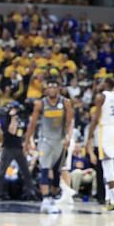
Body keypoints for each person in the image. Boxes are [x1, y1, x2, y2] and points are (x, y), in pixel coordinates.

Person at [26, 77, 74, 213]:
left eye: (54, 87)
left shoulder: (66, 103)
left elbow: (69, 123)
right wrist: (27, 141)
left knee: (57, 172)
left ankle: (52, 197)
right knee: (45, 169)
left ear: (59, 88)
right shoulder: (40, 103)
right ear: (46, 89)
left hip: (59, 141)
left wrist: (68, 136)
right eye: (49, 87)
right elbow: (33, 124)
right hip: (45, 140)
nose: (52, 89)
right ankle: (45, 199)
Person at [87, 77, 114, 213]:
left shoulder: (101, 97)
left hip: (105, 130)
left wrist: (89, 136)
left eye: (101, 82)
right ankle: (108, 199)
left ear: (106, 84)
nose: (99, 84)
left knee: (107, 166)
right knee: (107, 166)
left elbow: (95, 118)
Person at [0, 101, 35, 200]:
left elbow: (24, 132)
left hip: (19, 147)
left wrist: (28, 143)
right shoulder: (5, 119)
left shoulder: (21, 119)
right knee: (2, 172)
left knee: (26, 171)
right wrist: (13, 117)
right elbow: (11, 131)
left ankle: (31, 192)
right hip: (8, 148)